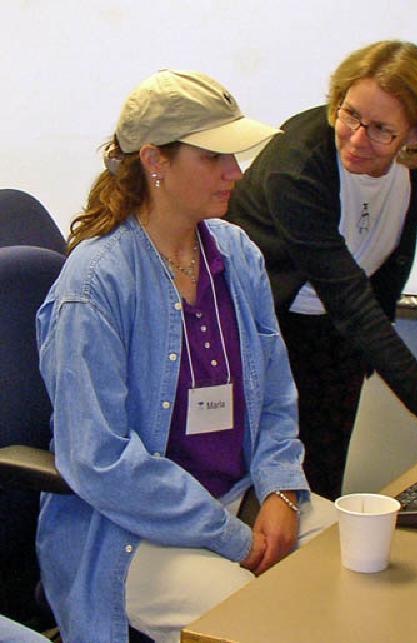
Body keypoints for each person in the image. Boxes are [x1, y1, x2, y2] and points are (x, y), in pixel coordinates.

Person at [35, 70, 336, 643]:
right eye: (213, 157)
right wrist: (228, 537)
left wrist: (279, 490)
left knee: (360, 568)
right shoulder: (95, 285)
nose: (236, 173)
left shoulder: (235, 253)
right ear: (156, 161)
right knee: (261, 623)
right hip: (128, 530)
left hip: (240, 496)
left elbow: (275, 396)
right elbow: (97, 459)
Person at [226, 40, 417, 501]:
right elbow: (347, 298)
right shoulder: (297, 164)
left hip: (339, 337)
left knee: (318, 493)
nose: (355, 138)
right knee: (265, 494)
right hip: (264, 330)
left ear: (415, 134)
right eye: (349, 114)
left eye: (381, 130)